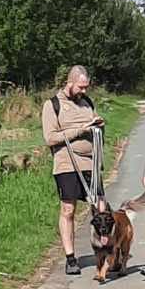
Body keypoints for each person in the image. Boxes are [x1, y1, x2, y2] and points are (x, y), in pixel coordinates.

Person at [42, 65, 100, 277]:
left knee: (101, 207)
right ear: (70, 82)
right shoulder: (52, 105)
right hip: (67, 164)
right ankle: (70, 257)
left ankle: (106, 253)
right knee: (68, 209)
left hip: (90, 163)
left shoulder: (87, 103)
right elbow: (50, 138)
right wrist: (80, 130)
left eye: (86, 87)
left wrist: (97, 126)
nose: (84, 91)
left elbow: (93, 122)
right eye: (81, 87)